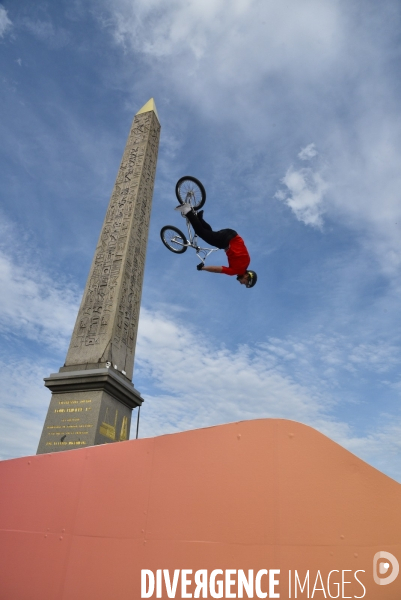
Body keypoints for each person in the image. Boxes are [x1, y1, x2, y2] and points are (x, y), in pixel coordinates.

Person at [175, 203, 257, 288]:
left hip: (231, 233)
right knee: (200, 232)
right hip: (225, 241)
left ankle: (199, 219)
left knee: (210, 235)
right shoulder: (236, 270)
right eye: (245, 282)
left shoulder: (247, 262)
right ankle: (187, 210)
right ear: (247, 276)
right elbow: (216, 269)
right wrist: (203, 268)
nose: (241, 283)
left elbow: (238, 250)